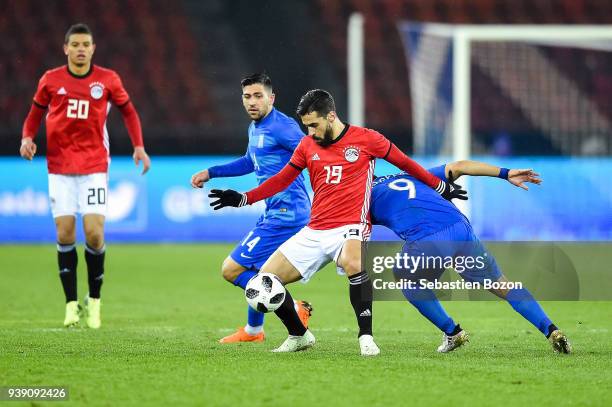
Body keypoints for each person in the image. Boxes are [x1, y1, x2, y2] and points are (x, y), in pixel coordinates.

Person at [208, 89, 465, 356]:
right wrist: (244, 198)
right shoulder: (308, 145)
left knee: (354, 263)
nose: (310, 133)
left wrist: (439, 186)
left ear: (331, 116)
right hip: (316, 228)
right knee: (264, 280)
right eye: (306, 127)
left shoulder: (368, 139)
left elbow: (407, 163)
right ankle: (299, 335)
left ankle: (366, 337)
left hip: (351, 225)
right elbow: (282, 179)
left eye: (314, 125)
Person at [20, 23, 151, 329]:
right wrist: (27, 137)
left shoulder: (107, 79)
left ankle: (94, 302)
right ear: (66, 48)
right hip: (59, 167)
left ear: (93, 48)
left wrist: (139, 147)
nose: (81, 49)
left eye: (86, 44)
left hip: (94, 165)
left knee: (94, 233)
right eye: (75, 44)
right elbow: (35, 113)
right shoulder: (51, 80)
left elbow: (128, 112)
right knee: (65, 234)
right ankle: (70, 305)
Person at [369, 161, 572, 354]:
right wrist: (505, 173)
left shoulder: (362, 197)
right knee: (502, 284)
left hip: (429, 237)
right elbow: (460, 166)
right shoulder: (412, 175)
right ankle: (551, 329)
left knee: (406, 279)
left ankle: (452, 332)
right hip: (461, 228)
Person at [190, 73, 312, 343]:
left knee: (231, 270)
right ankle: (254, 331)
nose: (252, 102)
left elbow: (311, 153)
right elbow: (250, 161)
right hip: (274, 212)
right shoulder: (256, 127)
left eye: (258, 96)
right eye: (247, 96)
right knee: (260, 272)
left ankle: (292, 308)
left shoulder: (283, 127)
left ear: (272, 97)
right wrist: (212, 172)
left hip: (287, 216)